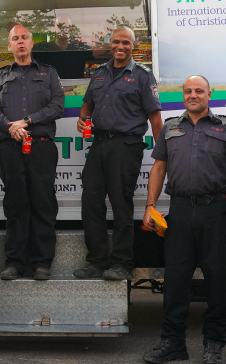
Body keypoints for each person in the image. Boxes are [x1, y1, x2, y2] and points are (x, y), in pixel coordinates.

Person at [141, 75, 226, 364]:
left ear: (209, 94)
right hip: (181, 211)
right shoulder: (171, 127)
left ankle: (214, 344)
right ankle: (173, 343)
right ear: (183, 95)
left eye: (199, 91)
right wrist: (150, 206)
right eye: (188, 91)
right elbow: (159, 168)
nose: (193, 95)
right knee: (175, 281)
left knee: (217, 282)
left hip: (218, 212)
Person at [73, 26, 163, 281]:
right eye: (115, 42)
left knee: (121, 204)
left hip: (127, 145)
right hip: (99, 145)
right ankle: (97, 261)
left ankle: (122, 263)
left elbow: (155, 118)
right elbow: (87, 105)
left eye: (125, 43)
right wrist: (83, 119)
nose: (120, 47)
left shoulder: (143, 76)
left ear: (133, 46)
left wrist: (161, 156)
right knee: (90, 203)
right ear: (109, 44)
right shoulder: (99, 73)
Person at [0, 24, 64, 281]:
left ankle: (42, 262)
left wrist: (26, 121)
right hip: (9, 146)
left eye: (24, 38)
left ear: (31, 43)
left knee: (43, 202)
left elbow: (57, 106)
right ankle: (15, 262)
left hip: (41, 145)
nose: (20, 42)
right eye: (15, 38)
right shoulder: (0, 76)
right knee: (16, 203)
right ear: (9, 45)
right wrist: (11, 127)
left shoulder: (48, 73)